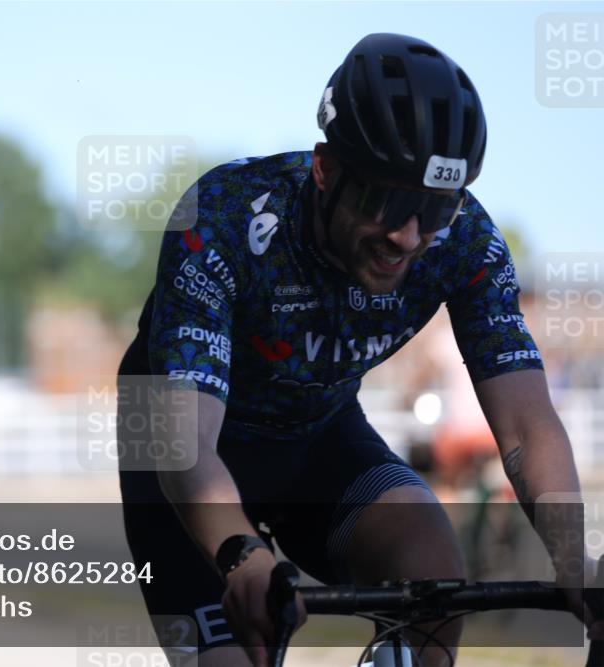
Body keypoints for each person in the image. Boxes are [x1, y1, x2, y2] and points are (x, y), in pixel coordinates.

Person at [117, 33, 596, 667]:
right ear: (326, 169)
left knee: (433, 573)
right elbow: (186, 445)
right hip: (187, 450)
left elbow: (527, 427)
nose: (408, 234)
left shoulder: (464, 242)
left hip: (318, 438)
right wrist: (240, 553)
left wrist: (572, 557)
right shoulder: (222, 219)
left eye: (435, 207)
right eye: (386, 200)